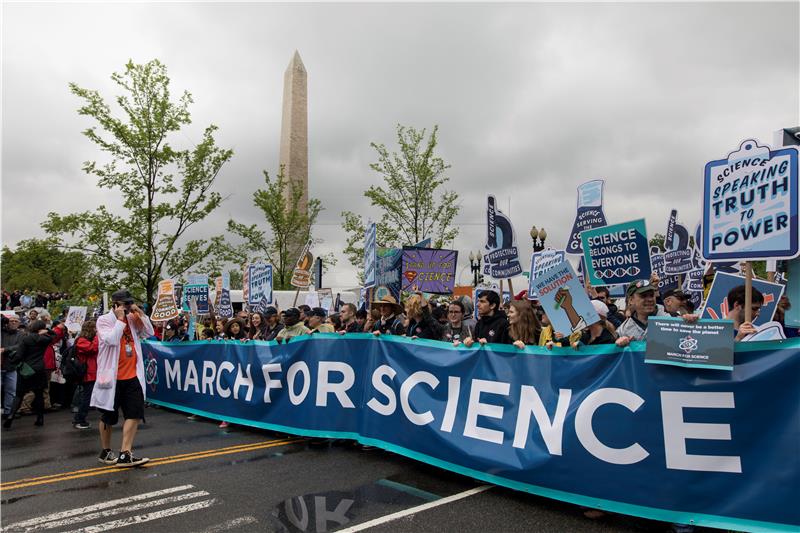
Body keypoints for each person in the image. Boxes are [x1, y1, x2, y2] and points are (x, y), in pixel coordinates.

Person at [92, 289, 154, 467]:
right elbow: (110, 340)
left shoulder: (133, 319)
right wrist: (120, 320)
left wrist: (140, 313)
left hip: (133, 374)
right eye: (124, 304)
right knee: (108, 416)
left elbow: (149, 332)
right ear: (115, 304)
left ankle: (125, 452)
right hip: (112, 377)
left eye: (129, 303)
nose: (127, 307)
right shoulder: (104, 320)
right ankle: (106, 451)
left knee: (135, 412)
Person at [3, 320, 56, 428]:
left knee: (19, 395)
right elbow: (54, 335)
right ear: (41, 329)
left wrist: (13, 361)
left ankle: (11, 416)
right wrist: (47, 331)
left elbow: (19, 356)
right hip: (39, 369)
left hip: (26, 369)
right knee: (39, 394)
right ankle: (40, 418)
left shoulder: (26, 339)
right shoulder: (45, 339)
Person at [73, 320, 98, 429]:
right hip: (87, 373)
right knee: (86, 397)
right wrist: (98, 337)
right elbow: (93, 348)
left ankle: (80, 418)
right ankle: (79, 419)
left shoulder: (86, 340)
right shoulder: (81, 341)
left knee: (87, 396)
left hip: (91, 372)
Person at [1, 314, 24, 421]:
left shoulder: (21, 334)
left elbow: (19, 346)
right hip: (1, 364)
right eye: (11, 320)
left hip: (12, 366)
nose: (13, 322)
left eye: (16, 321)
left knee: (11, 390)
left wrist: (6, 349)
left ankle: (8, 411)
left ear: (19, 323)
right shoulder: (2, 332)